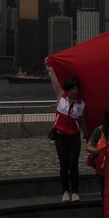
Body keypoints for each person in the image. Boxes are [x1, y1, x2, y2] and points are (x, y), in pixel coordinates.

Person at [47, 66, 87, 203]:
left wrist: (87, 134)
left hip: (74, 138)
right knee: (63, 165)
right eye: (72, 89)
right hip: (60, 137)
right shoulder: (61, 97)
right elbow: (55, 81)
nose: (75, 91)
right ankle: (65, 191)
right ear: (67, 89)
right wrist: (50, 68)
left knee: (73, 164)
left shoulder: (81, 104)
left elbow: (83, 121)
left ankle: (75, 191)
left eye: (76, 88)